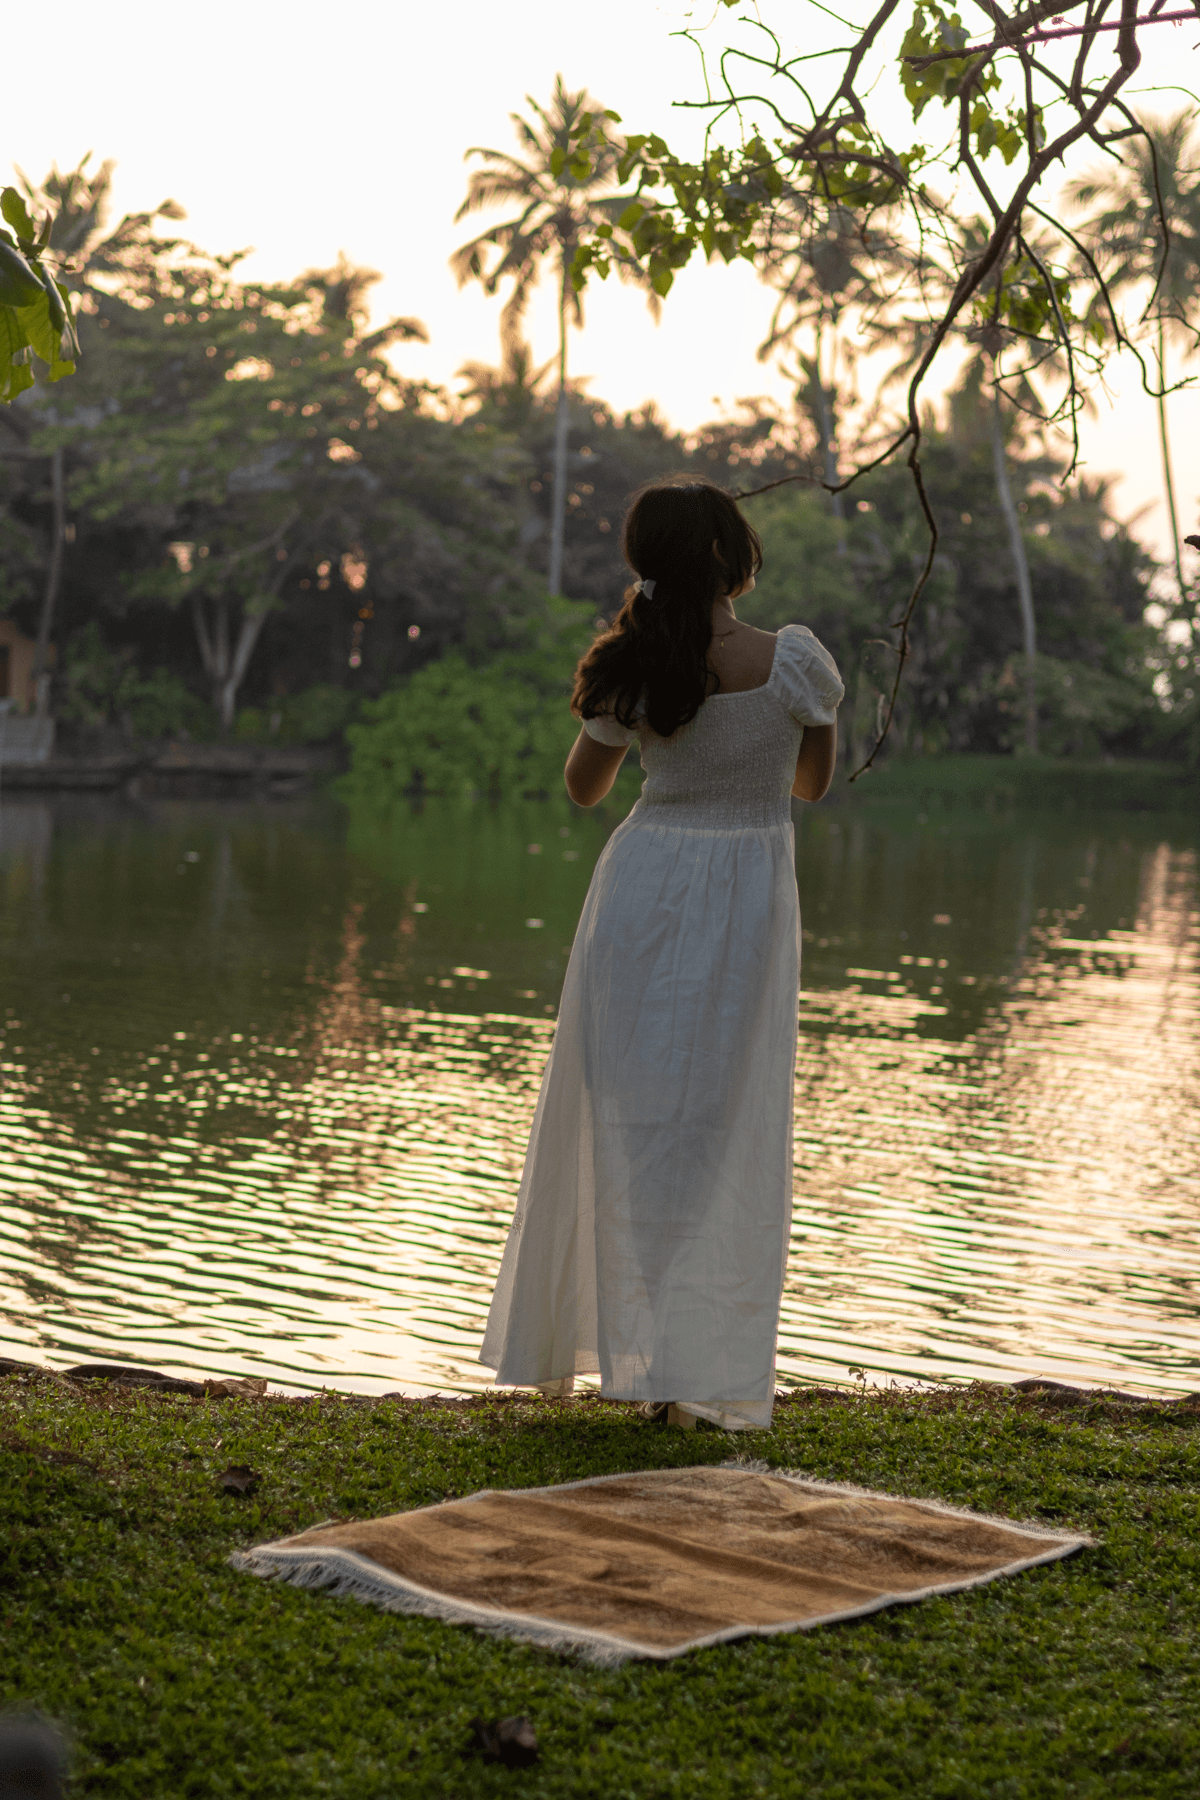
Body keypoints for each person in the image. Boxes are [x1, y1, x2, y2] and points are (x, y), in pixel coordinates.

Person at [480, 476, 844, 1430]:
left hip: (643, 886)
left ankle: (645, 1363)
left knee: (629, 1120)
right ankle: (677, 1369)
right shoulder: (797, 661)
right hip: (747, 897)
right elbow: (810, 784)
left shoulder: (634, 665)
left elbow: (583, 791)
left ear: (646, 563)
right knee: (718, 1127)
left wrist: (628, 704)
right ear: (736, 557)